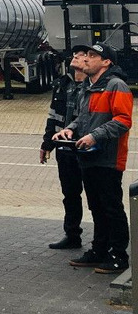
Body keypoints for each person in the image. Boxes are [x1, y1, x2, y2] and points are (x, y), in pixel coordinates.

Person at [54, 43, 133, 274]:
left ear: (106, 62)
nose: (86, 59)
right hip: (88, 158)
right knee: (96, 207)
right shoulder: (88, 87)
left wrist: (94, 136)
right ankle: (99, 250)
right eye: (86, 55)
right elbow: (82, 118)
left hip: (108, 159)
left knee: (111, 208)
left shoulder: (116, 85)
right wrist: (69, 129)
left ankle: (119, 255)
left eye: (92, 55)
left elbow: (123, 120)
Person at [40, 48, 89, 249]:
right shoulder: (62, 83)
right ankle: (72, 235)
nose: (75, 57)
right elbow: (53, 115)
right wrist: (47, 143)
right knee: (70, 195)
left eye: (81, 54)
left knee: (97, 198)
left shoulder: (94, 84)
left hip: (86, 149)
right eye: (74, 54)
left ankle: (104, 241)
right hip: (64, 150)